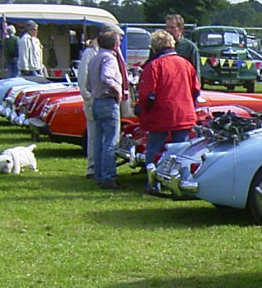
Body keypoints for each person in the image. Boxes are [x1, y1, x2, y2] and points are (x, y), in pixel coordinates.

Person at [136, 29, 199, 192]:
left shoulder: (154, 66)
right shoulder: (186, 64)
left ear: (155, 47)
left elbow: (147, 94)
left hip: (161, 114)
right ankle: (182, 181)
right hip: (183, 113)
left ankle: (153, 183)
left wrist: (142, 109)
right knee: (182, 151)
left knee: (154, 149)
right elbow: (196, 90)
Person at [85, 29, 126, 189]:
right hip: (108, 101)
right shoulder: (109, 58)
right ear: (115, 45)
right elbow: (106, 77)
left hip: (96, 101)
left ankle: (99, 174)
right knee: (111, 141)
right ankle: (108, 177)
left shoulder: (94, 58)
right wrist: (118, 91)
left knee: (98, 141)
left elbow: (88, 84)